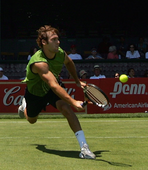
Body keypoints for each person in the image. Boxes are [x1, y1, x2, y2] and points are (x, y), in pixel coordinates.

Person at [18, 25, 95, 160]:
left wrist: (77, 81)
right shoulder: (39, 63)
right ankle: (24, 106)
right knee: (31, 120)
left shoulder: (60, 53)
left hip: (52, 87)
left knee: (66, 109)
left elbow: (69, 62)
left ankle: (84, 148)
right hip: (36, 93)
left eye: (58, 39)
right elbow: (53, 85)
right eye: (53, 39)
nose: (58, 42)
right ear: (44, 42)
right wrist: (73, 101)